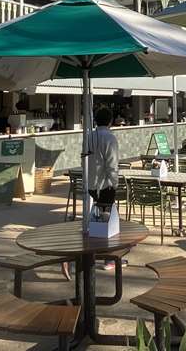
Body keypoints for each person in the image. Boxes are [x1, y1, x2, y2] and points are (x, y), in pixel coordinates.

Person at [62, 107, 120, 280]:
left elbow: (84, 159)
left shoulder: (89, 137)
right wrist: (114, 183)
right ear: (110, 121)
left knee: (93, 222)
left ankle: (76, 258)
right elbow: (112, 163)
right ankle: (108, 258)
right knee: (107, 222)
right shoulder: (109, 138)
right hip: (105, 184)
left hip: (91, 184)